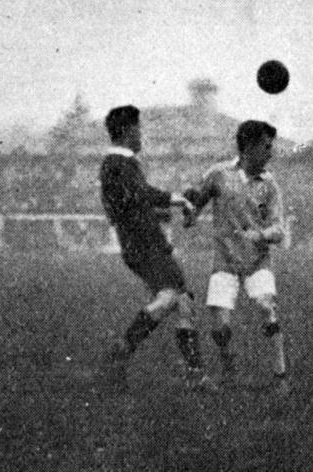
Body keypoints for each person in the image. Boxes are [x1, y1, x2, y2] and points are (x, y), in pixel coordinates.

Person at [98, 105, 209, 388]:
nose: (141, 135)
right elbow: (140, 195)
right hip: (144, 243)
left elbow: (131, 204)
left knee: (184, 302)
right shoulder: (118, 162)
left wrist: (165, 208)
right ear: (126, 131)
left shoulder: (119, 164)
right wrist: (178, 199)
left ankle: (195, 375)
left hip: (144, 240)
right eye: (138, 129)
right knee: (171, 295)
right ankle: (123, 348)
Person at [183, 120, 290, 394]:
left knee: (268, 308)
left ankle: (280, 378)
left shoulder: (270, 184)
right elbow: (196, 203)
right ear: (250, 147)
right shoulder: (219, 174)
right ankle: (229, 367)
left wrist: (262, 235)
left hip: (257, 263)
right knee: (221, 327)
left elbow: (278, 229)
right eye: (266, 147)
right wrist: (190, 212)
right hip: (225, 262)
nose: (270, 152)